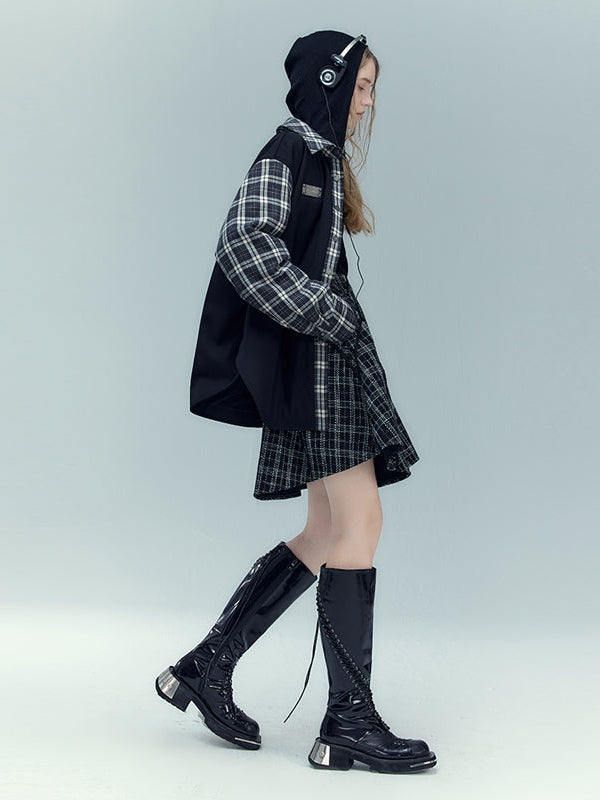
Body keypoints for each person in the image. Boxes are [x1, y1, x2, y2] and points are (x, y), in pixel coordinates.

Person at [155, 30, 436, 775]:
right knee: (361, 523)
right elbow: (244, 244)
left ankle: (204, 667)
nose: (368, 103)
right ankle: (347, 724)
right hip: (317, 365)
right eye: (363, 86)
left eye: (372, 89)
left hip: (314, 362)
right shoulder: (289, 154)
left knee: (326, 529)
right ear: (330, 83)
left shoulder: (317, 159)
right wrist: (326, 311)